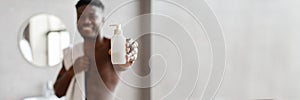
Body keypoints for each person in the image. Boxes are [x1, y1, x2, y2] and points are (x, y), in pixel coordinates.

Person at [53, 0, 138, 100]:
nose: (86, 21)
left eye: (92, 16)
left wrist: (128, 53)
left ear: (102, 20)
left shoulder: (112, 46)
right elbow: (58, 92)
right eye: (81, 17)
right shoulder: (72, 53)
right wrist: (73, 70)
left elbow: (123, 64)